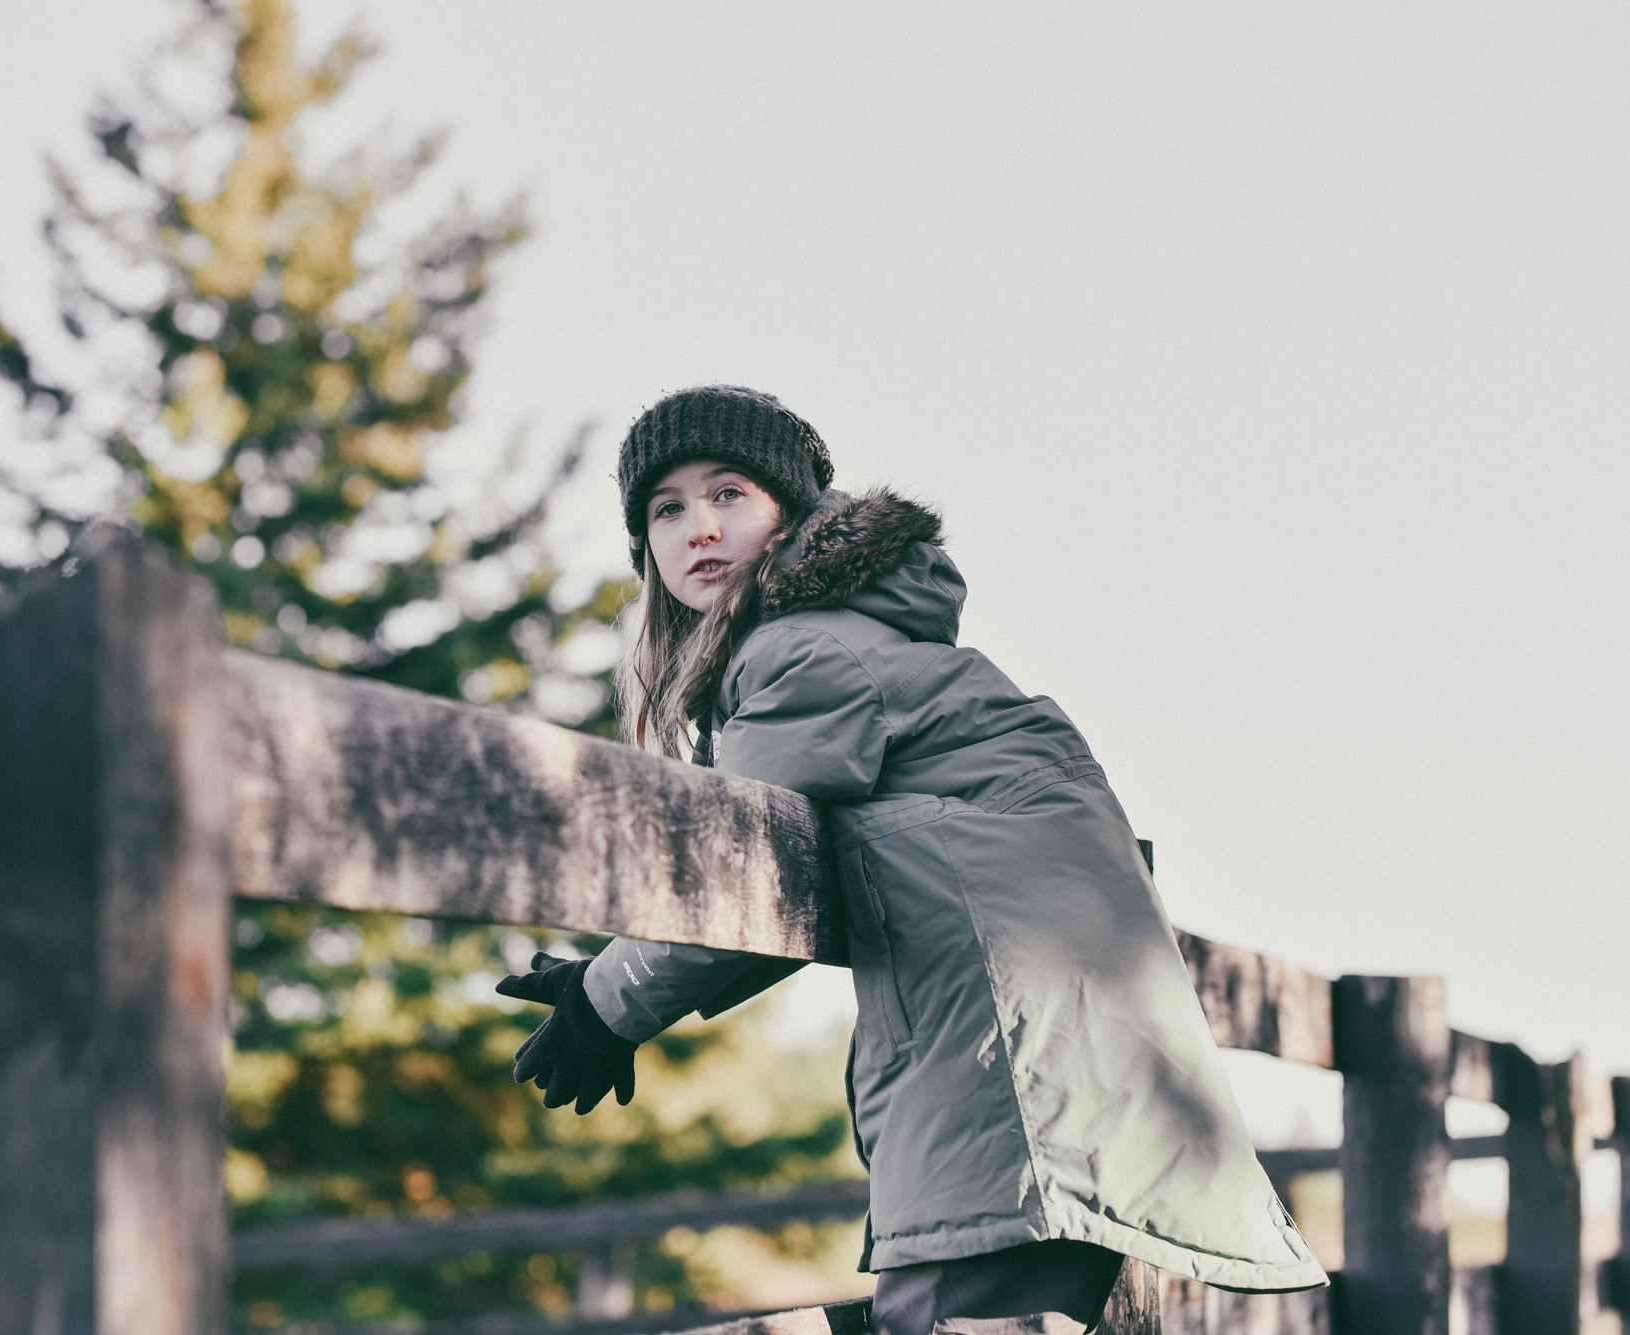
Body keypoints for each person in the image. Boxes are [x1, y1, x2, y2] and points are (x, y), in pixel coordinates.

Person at [497, 386, 1326, 1334]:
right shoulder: (858, 644)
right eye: (667, 508)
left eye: (729, 492)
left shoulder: (804, 653)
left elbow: (740, 866)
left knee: (941, 1316)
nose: (697, 529)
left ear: (792, 513)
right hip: (1051, 1071)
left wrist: (608, 1001)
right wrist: (613, 970)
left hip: (1009, 1072)